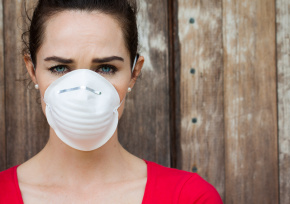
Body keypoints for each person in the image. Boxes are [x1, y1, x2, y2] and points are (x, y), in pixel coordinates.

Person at [0, 0, 223, 203]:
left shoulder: (189, 197)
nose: (83, 91)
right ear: (32, 70)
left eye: (106, 68)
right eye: (60, 68)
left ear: (134, 73)